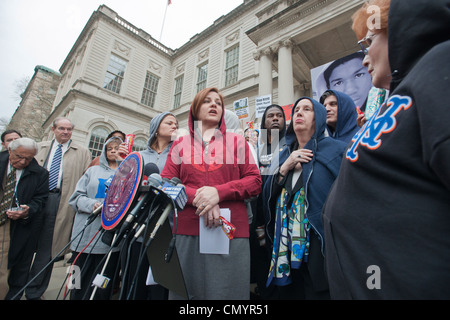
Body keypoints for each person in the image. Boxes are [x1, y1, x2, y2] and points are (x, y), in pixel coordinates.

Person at [322, 0, 450, 299]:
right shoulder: (399, 95)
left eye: (368, 42)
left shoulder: (441, 63)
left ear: (399, 31)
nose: (364, 58)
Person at [161, 87, 261, 300]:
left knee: (227, 295)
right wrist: (202, 197)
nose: (214, 104)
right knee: (187, 294)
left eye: (218, 102)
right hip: (187, 230)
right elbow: (165, 184)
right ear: (195, 110)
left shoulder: (238, 142)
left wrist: (219, 192)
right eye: (207, 101)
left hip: (230, 232)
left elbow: (254, 182)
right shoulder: (179, 144)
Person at [261, 97, 346, 299]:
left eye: (307, 109)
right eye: (297, 109)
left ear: (319, 118)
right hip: (286, 246)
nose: (298, 112)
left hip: (319, 246)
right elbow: (266, 196)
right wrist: (284, 168)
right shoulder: (283, 155)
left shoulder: (337, 150)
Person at [27, 117, 91, 300]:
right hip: (35, 201)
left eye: (69, 129)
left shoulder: (82, 152)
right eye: (62, 128)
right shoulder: (39, 147)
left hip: (58, 201)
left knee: (47, 251)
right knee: (25, 247)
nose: (65, 132)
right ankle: (15, 286)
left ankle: (34, 292)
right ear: (54, 129)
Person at [119, 112, 178, 300]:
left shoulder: (180, 156)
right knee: (134, 282)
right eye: (169, 123)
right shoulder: (137, 157)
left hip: (165, 228)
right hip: (137, 226)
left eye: (176, 124)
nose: (174, 126)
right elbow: (121, 188)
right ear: (156, 128)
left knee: (160, 288)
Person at [68, 136, 123, 300]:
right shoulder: (92, 171)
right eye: (109, 148)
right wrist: (91, 205)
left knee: (102, 283)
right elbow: (75, 198)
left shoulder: (128, 174)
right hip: (84, 235)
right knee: (76, 279)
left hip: (109, 240)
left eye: (117, 147)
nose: (113, 150)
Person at [0, 138, 48, 300]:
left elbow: (40, 200)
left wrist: (28, 211)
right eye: (19, 157)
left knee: (8, 268)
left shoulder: (40, 173)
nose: (23, 162)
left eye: (28, 158)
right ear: (10, 151)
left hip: (13, 226)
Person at [258, 105, 287, 178]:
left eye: (279, 116)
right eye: (270, 116)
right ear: (264, 123)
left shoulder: (291, 146)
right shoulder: (258, 151)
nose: (275, 118)